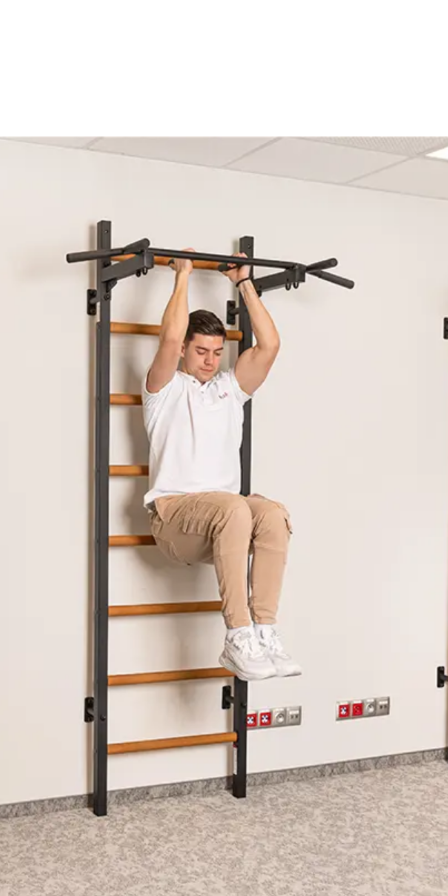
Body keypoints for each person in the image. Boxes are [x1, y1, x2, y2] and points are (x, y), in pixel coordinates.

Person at [142, 248, 300, 682]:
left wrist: (243, 282)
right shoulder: (164, 389)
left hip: (222, 525)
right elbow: (170, 340)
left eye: (216, 352)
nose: (210, 360)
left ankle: (264, 631)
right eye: (201, 351)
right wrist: (183, 275)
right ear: (185, 352)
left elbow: (270, 345)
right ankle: (237, 635)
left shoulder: (230, 390)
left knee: (270, 512)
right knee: (234, 505)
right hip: (176, 520)